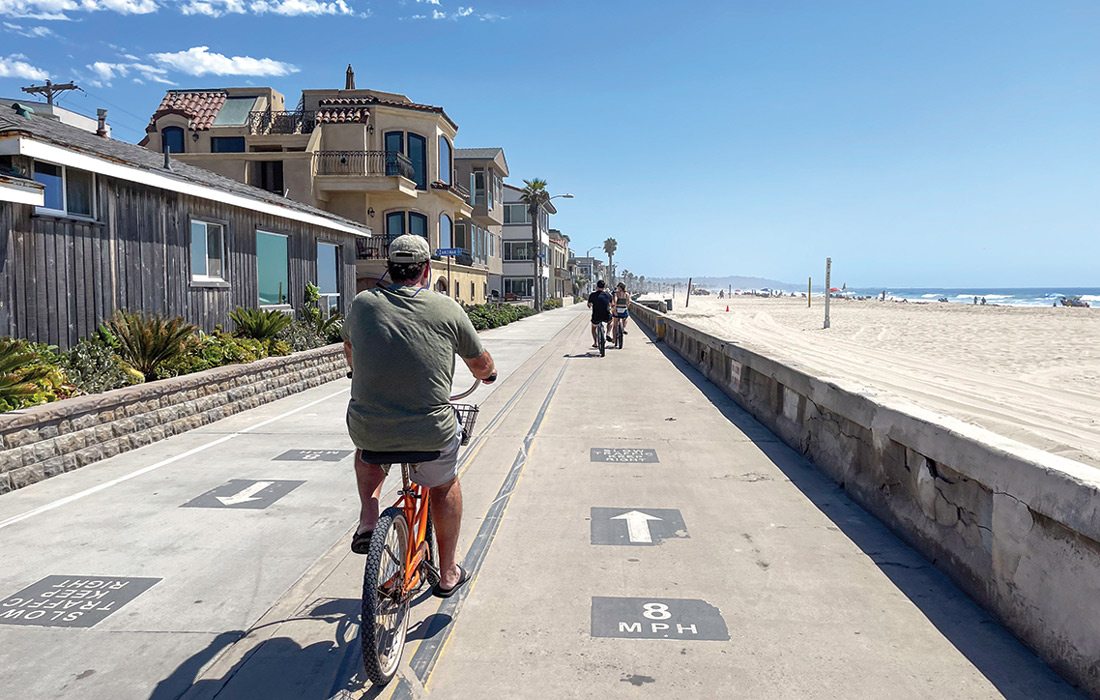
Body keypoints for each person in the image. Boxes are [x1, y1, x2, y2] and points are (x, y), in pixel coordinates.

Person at [343, 234, 497, 598]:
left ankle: (369, 517)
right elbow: (481, 363)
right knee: (443, 486)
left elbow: (349, 347)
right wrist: (487, 375)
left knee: (367, 453)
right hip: (430, 430)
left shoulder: (363, 304)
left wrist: (357, 367)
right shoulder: (445, 308)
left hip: (371, 426)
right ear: (426, 270)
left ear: (390, 270)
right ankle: (447, 573)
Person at [587, 280, 613, 349]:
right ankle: (608, 333)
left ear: (596, 286)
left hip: (596, 316)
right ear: (604, 287)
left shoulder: (592, 295)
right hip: (606, 316)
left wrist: (591, 304)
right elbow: (611, 304)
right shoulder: (608, 295)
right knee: (610, 321)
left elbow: (589, 305)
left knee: (593, 328)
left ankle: (595, 343)